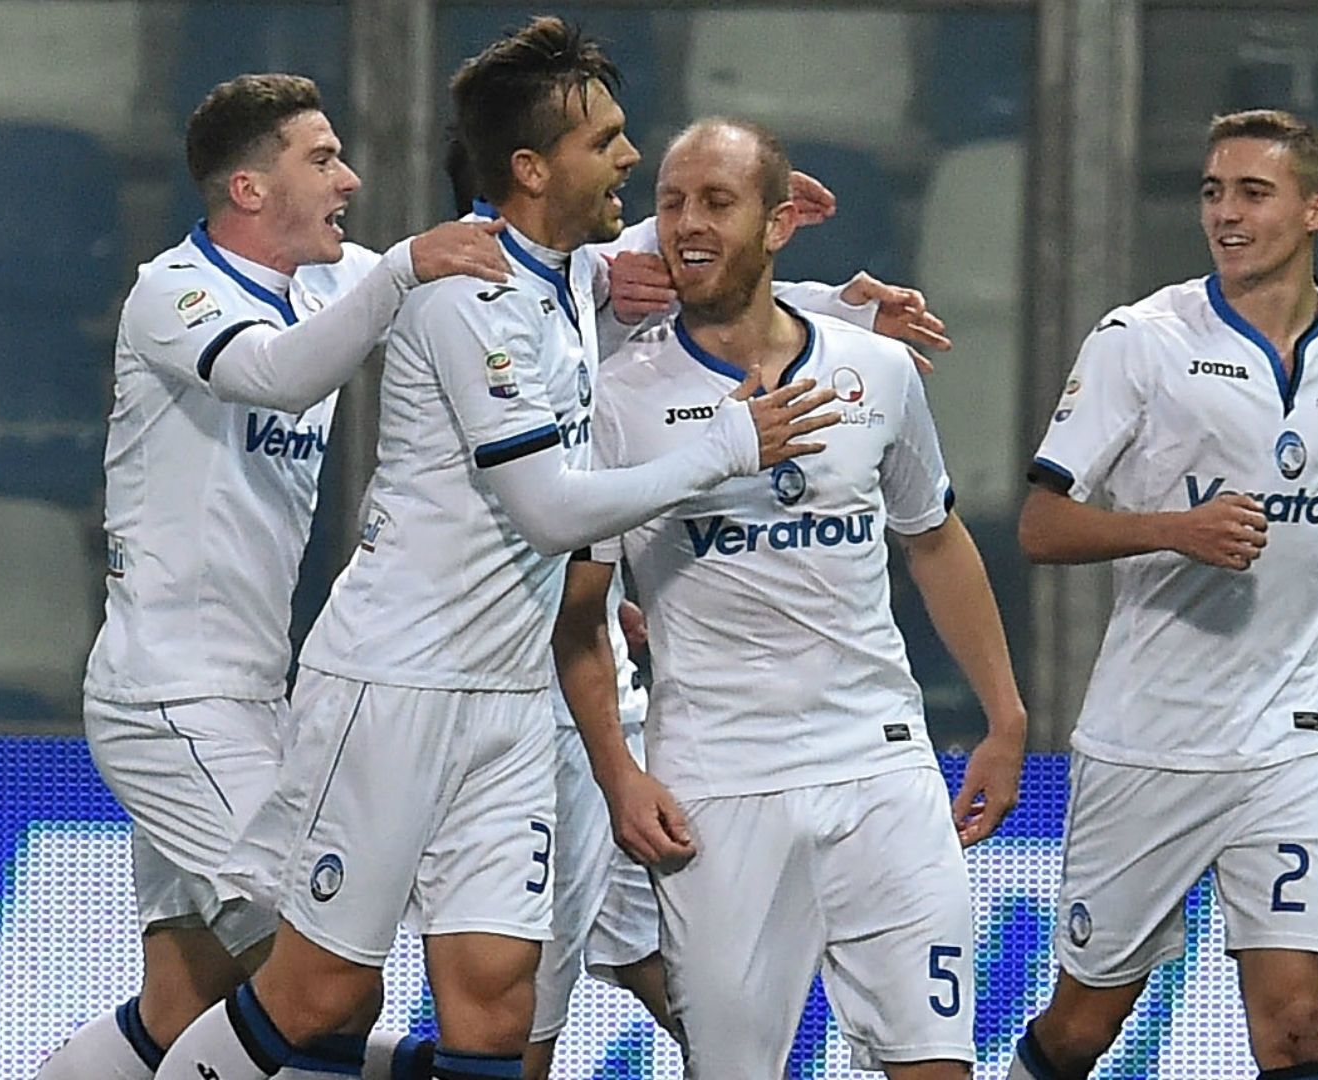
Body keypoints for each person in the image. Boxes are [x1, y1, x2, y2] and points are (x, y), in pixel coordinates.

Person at [153, 21, 841, 1080]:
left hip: (512, 700)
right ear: (531, 168)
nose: (629, 156)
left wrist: (840, 303)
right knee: (319, 993)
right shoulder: (467, 294)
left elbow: (690, 269)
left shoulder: (570, 274)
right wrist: (729, 445)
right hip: (395, 684)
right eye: (604, 141)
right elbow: (551, 512)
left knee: (496, 1003)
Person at [36, 73, 512, 1080]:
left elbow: (510, 279)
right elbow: (275, 375)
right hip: (170, 699)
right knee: (327, 977)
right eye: (322, 158)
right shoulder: (175, 292)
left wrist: (800, 301)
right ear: (250, 189)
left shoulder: (335, 284)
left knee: (183, 1001)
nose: (351, 179)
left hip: (252, 695)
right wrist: (404, 270)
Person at [554, 117, 1031, 1080]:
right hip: (717, 784)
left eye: (717, 203)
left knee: (938, 1066)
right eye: (672, 203)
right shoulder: (615, 398)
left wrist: (1006, 716)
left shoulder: (877, 371)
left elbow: (935, 539)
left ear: (778, 225)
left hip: (881, 768)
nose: (688, 224)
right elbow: (579, 618)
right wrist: (618, 774)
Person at [1005, 109, 1318, 1080]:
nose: (1225, 214)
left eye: (1253, 193)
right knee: (1082, 1028)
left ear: (1315, 211)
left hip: (1295, 736)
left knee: (1296, 1027)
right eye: (1212, 192)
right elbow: (1040, 525)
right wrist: (1173, 530)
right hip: (1151, 739)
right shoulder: (1140, 341)